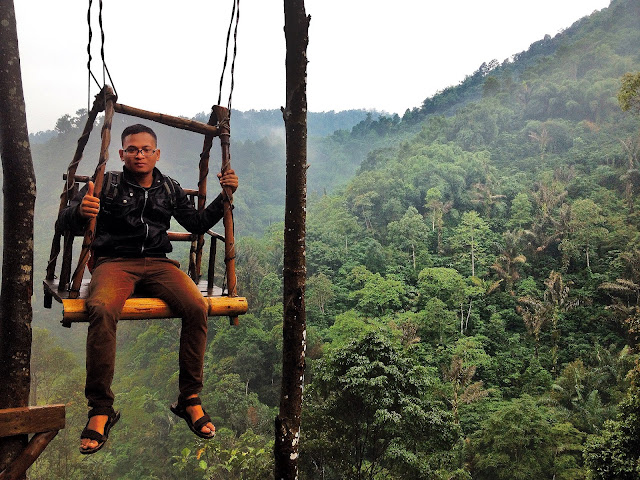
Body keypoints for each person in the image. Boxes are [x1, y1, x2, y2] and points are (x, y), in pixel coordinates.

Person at [58, 123, 238, 454]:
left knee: (197, 307)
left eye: (145, 149)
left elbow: (196, 225)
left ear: (156, 154)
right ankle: (100, 408)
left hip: (158, 264)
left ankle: (189, 397)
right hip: (114, 262)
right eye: (132, 149)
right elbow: (63, 222)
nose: (139, 155)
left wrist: (225, 195)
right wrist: (79, 212)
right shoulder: (106, 184)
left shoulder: (169, 188)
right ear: (122, 153)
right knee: (101, 308)